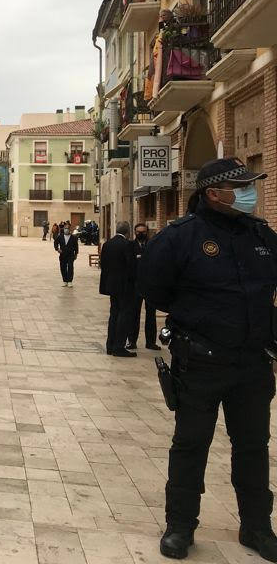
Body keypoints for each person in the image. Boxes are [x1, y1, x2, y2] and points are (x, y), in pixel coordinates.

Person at [140, 158, 277, 561]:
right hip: (201, 362)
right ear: (214, 193)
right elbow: (155, 290)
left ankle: (257, 527)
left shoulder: (262, 237)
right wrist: (200, 321)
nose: (250, 193)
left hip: (252, 365)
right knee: (190, 446)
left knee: (253, 447)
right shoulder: (180, 237)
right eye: (242, 186)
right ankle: (180, 526)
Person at [98, 221, 136, 358]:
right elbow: (131, 266)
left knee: (114, 314)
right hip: (125, 286)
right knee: (124, 315)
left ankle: (110, 345)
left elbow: (103, 264)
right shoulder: (127, 245)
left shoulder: (108, 244)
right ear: (128, 231)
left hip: (111, 285)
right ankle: (119, 346)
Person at [126, 222, 160, 351]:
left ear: (147, 232)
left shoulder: (152, 245)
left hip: (150, 285)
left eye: (143, 232)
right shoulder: (130, 246)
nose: (141, 234)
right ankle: (132, 341)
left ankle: (151, 342)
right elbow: (129, 264)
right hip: (135, 285)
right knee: (134, 314)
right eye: (138, 232)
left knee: (151, 314)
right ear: (135, 233)